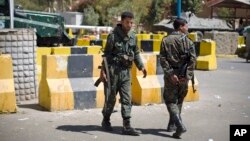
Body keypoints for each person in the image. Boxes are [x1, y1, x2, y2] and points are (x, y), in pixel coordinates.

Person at [99, 11, 147, 136]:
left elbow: (135, 52)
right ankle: (106, 119)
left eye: (132, 22)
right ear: (121, 22)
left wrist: (141, 66)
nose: (130, 25)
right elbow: (106, 55)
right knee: (111, 99)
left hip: (126, 72)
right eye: (127, 22)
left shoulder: (133, 36)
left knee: (127, 98)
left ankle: (127, 126)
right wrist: (102, 72)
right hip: (113, 72)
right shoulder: (113, 36)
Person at [159, 18, 196, 139]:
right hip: (184, 75)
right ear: (180, 27)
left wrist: (170, 74)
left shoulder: (166, 40)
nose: (187, 28)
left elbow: (163, 59)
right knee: (179, 100)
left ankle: (177, 124)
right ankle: (173, 124)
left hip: (171, 75)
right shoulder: (188, 41)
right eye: (186, 26)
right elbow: (193, 60)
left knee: (170, 100)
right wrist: (187, 76)